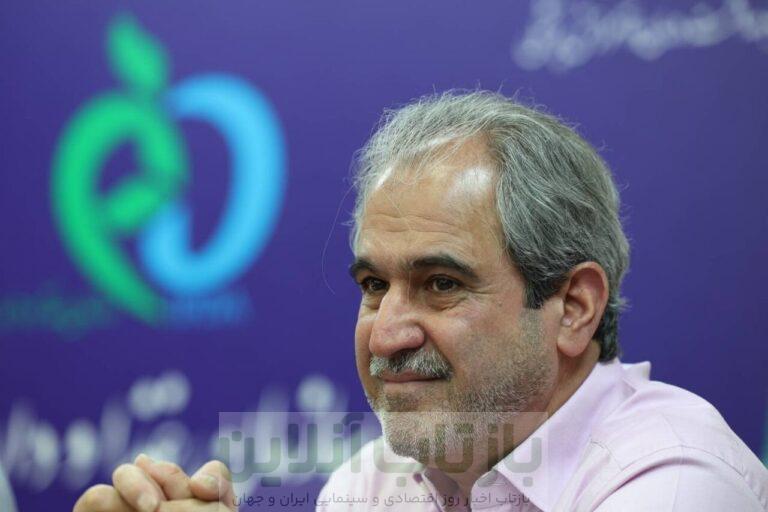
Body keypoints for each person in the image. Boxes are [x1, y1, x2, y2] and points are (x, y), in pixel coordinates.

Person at [73, 91, 768, 511]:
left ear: (574, 307)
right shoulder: (372, 485)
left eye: (441, 284)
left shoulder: (674, 481)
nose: (386, 336)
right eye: (374, 287)